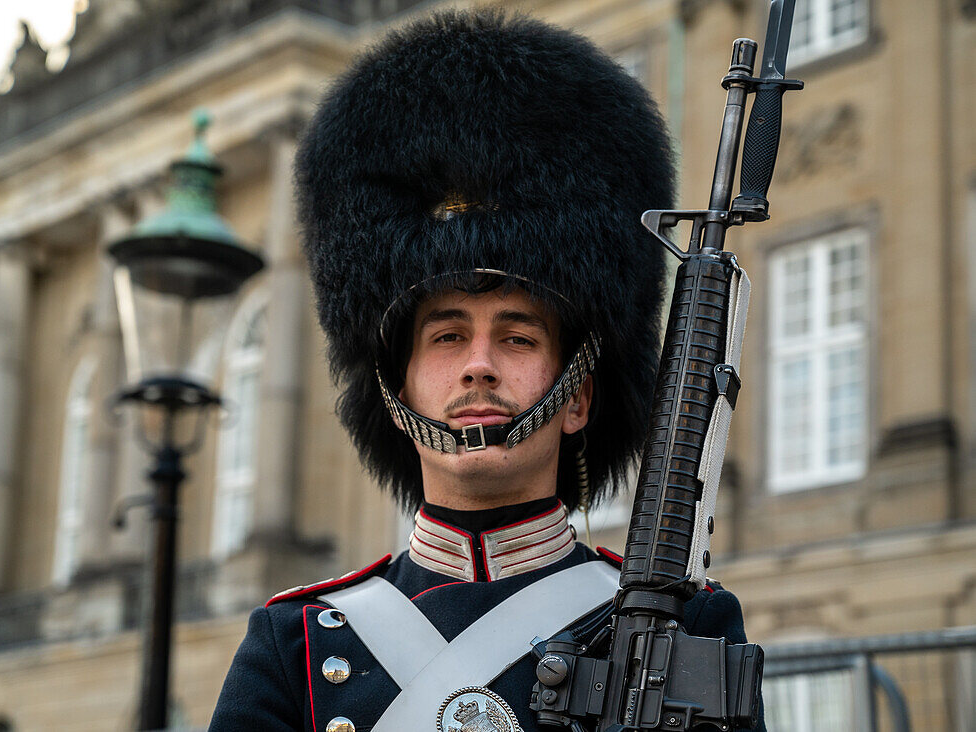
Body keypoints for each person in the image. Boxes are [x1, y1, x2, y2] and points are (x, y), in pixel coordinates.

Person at [210, 9, 764, 732]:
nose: (478, 366)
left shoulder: (690, 622)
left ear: (579, 397)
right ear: (397, 386)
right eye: (445, 337)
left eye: (518, 338)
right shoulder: (296, 642)